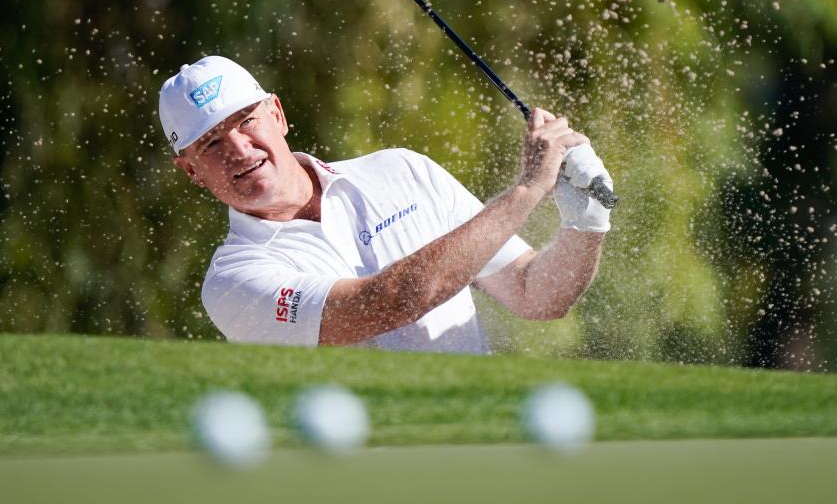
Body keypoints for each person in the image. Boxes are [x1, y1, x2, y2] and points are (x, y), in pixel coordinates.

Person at [159, 55, 613, 354]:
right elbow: (388, 302)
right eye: (212, 143)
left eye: (246, 120)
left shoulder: (402, 171)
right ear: (192, 171)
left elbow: (537, 293)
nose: (239, 149)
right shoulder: (233, 281)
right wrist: (528, 191)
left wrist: (585, 222)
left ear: (276, 113)